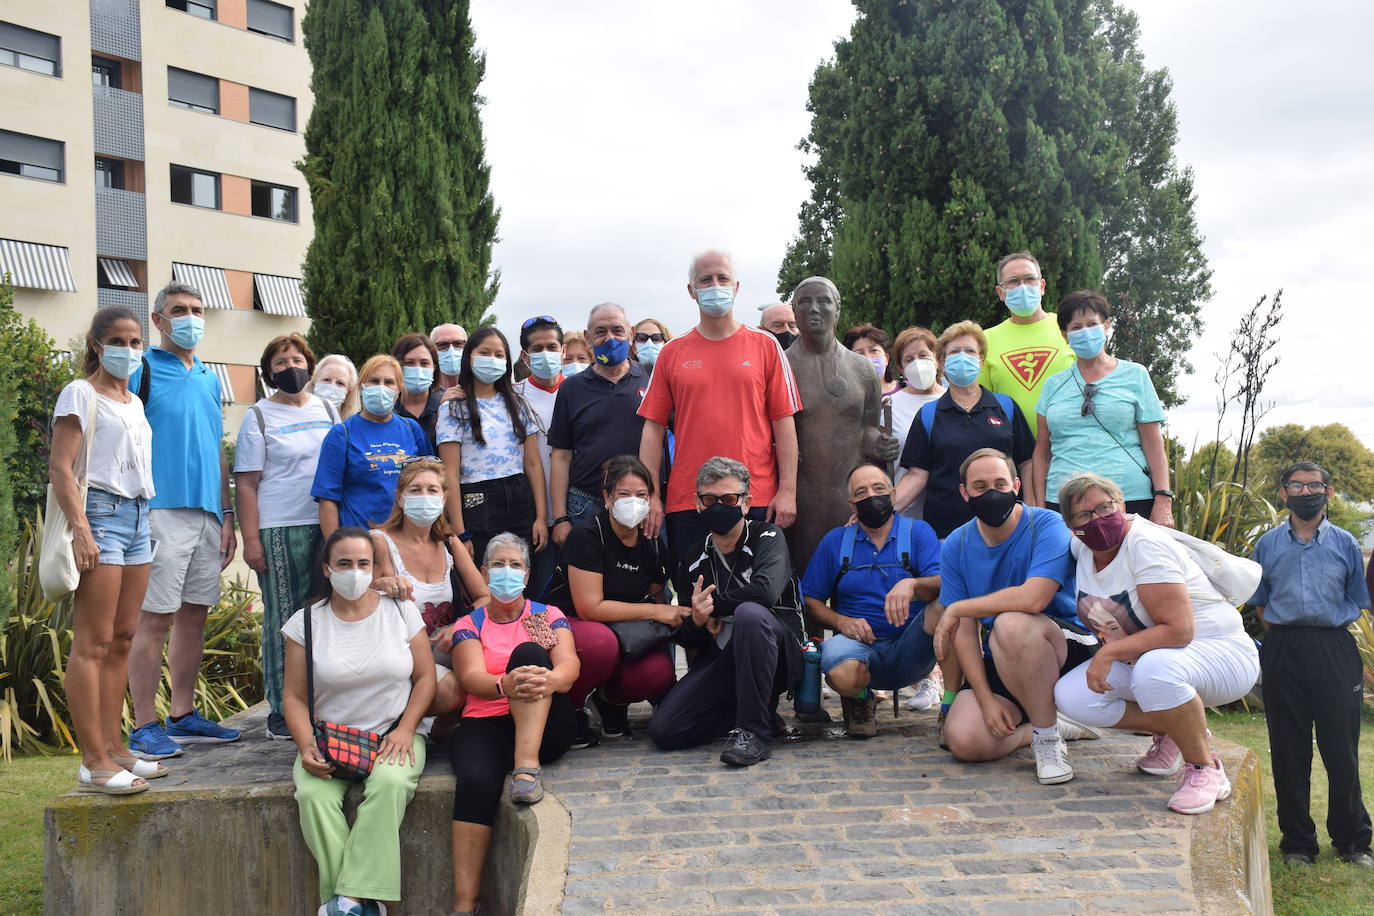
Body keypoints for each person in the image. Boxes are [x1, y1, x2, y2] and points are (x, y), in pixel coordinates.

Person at [1052, 473, 1258, 814]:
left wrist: (1111, 653)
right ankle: (1177, 733)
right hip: (1154, 658)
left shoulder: (1146, 546)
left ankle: (1205, 769)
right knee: (1074, 695)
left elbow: (1179, 631)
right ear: (1072, 525)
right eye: (1085, 514)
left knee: (1154, 670)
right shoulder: (1083, 549)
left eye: (1106, 506)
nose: (1099, 519)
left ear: (1122, 505)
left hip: (1220, 653)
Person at [282, 527, 436, 916]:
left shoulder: (400, 610)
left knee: (390, 783)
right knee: (312, 796)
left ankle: (344, 901)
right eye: (344, 564)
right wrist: (305, 746)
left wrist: (406, 729)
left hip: (393, 733)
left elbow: (426, 678)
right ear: (327, 569)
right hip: (331, 740)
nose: (355, 571)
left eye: (363, 563)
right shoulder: (306, 622)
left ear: (374, 568)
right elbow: (295, 696)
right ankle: (358, 902)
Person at [934, 449, 1098, 785]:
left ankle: (1047, 739)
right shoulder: (956, 544)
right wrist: (983, 699)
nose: (991, 493)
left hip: (1065, 645)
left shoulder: (1046, 524)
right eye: (980, 486)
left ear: (1017, 485)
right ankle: (1044, 728)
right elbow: (964, 634)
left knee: (1010, 622)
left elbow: (1034, 598)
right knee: (965, 740)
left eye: (999, 483)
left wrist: (958, 607)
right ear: (964, 493)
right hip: (1006, 652)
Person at [126, 281, 241, 760]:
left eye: (196, 309)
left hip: (208, 514)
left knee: (194, 615)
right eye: (178, 310)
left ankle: (183, 714)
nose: (189, 317)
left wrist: (228, 513)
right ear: (158, 320)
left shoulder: (212, 379)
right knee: (153, 619)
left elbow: (216, 448)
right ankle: (144, 726)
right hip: (160, 509)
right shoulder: (142, 369)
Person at [50, 306, 158, 793]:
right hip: (101, 515)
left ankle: (116, 748)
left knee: (123, 636)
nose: (130, 350)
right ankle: (93, 760)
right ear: (96, 344)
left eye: (137, 342)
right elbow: (61, 467)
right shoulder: (79, 393)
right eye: (119, 340)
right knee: (92, 642)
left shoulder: (134, 400)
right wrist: (82, 529)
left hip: (138, 516)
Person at [639, 249, 802, 557]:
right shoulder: (672, 353)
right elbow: (652, 428)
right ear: (691, 290)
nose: (715, 285)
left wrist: (787, 491)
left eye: (722, 278)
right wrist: (652, 496)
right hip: (691, 499)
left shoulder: (766, 346)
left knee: (757, 599)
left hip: (754, 497)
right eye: (705, 279)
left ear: (736, 286)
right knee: (694, 597)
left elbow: (784, 422)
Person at [448, 533, 580, 916]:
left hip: (545, 728)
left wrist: (550, 680)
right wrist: (504, 685)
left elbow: (568, 665)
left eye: (516, 565)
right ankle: (464, 905)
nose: (507, 572)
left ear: (527, 574)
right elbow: (471, 676)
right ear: (486, 573)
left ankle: (527, 767)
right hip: (486, 723)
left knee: (528, 653)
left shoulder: (540, 616)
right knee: (474, 781)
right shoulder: (471, 623)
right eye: (499, 565)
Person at [1250, 462, 1373, 867]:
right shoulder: (1267, 545)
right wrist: (1285, 633)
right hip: (1282, 647)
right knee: (1288, 750)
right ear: (1283, 493)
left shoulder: (1345, 544)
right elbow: (1261, 602)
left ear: (1329, 492)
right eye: (1298, 486)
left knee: (1341, 749)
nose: (1307, 493)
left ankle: (1353, 841)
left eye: (1315, 485)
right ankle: (1298, 843)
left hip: (1334, 648)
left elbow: (1356, 599)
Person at [649, 457, 804, 767]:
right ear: (697, 503)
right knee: (665, 730)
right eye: (709, 499)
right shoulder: (692, 557)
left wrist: (715, 606)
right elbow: (687, 635)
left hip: (778, 657)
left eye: (729, 499)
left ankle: (753, 732)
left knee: (749, 613)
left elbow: (764, 592)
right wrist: (698, 618)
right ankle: (752, 712)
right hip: (724, 658)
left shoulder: (768, 537)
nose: (719, 507)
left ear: (746, 503)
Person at [235, 333, 339, 740]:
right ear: (268, 372)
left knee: (327, 614)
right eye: (280, 363)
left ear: (310, 366)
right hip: (279, 527)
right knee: (285, 618)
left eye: (297, 359)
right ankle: (281, 707)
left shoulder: (328, 409)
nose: (290, 367)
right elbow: (246, 484)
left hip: (327, 524)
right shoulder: (258, 416)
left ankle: (322, 702)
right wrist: (252, 540)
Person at [800, 464, 942, 738]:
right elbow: (810, 599)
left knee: (948, 607)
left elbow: (942, 583)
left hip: (912, 649)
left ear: (893, 493)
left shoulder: (918, 532)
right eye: (861, 492)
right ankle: (861, 699)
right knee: (839, 671)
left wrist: (912, 583)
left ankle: (951, 706)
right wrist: (841, 621)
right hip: (859, 647)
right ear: (852, 506)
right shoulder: (835, 541)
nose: (871, 496)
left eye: (878, 488)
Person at [553, 455, 681, 742]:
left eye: (641, 495)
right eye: (623, 495)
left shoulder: (651, 542)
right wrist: (655, 613)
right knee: (600, 643)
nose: (633, 502)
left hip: (623, 629)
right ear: (607, 498)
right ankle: (570, 709)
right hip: (574, 624)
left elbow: (656, 593)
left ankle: (611, 702)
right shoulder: (587, 535)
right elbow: (590, 608)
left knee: (658, 671)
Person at [784, 277, 899, 589]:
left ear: (838, 308)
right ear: (793, 310)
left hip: (849, 495)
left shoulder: (862, 370)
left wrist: (881, 444)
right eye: (805, 302)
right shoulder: (780, 367)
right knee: (805, 584)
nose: (814, 309)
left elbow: (868, 431)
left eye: (823, 301)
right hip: (800, 496)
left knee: (854, 583)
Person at [1032, 291, 1174, 526]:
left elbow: (1153, 441)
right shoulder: (1052, 385)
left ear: (1106, 326)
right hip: (1064, 503)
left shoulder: (1135, 375)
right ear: (1065, 335)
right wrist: (1039, 507)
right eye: (1076, 327)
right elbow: (1042, 452)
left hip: (1129, 498)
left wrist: (1163, 500)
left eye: (1092, 324)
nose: (1085, 332)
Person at [369, 458, 490, 719]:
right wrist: (382, 584)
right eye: (415, 490)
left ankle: (443, 726)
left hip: (441, 652)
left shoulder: (449, 542)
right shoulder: (380, 541)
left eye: (432, 490)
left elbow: (484, 597)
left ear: (444, 498)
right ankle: (399, 722)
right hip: (398, 657)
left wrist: (460, 624)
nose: (424, 496)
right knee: (452, 690)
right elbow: (364, 594)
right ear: (400, 498)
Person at [895, 321, 1036, 539]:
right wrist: (882, 510)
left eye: (970, 351)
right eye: (954, 352)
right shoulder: (928, 415)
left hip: (1008, 530)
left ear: (981, 361)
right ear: (941, 362)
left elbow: (1027, 463)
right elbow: (917, 475)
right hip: (947, 534)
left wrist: (1033, 512)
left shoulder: (1006, 407)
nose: (962, 357)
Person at [435, 327, 547, 564]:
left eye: (499, 355)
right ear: (470, 357)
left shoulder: (519, 404)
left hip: (519, 496)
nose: (492, 360)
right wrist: (460, 532)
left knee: (520, 571)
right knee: (484, 575)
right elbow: (450, 473)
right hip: (477, 500)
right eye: (484, 353)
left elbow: (533, 463)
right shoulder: (453, 408)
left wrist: (540, 517)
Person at [549, 304, 650, 546]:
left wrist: (655, 500)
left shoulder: (652, 380)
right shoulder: (571, 389)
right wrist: (561, 517)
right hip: (585, 505)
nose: (610, 338)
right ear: (587, 337)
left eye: (617, 330)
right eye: (600, 331)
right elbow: (561, 456)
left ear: (630, 332)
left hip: (640, 505)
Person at [886, 325, 948, 713]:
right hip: (905, 511)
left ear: (938, 360)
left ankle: (939, 675)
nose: (918, 364)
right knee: (910, 594)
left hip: (945, 510)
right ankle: (914, 671)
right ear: (900, 367)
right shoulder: (887, 404)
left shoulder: (954, 400)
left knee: (945, 592)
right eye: (909, 359)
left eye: (924, 356)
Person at [312, 354, 432, 539]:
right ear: (361, 387)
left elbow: (432, 481)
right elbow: (327, 498)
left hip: (407, 541)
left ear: (399, 389)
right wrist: (334, 548)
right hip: (360, 542)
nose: (381, 387)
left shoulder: (412, 429)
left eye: (389, 382)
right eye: (374, 381)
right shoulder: (341, 434)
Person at [978, 251, 1075, 422]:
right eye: (1013, 281)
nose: (1023, 286)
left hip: (1068, 444)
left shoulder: (1069, 328)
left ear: (1042, 286)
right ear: (1001, 292)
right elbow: (981, 401)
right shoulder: (985, 340)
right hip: (1010, 445)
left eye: (1030, 279)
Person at [514, 316, 565, 595]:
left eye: (552, 346)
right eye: (537, 348)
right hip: (532, 518)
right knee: (538, 595)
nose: (546, 354)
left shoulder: (579, 390)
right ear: (525, 355)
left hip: (574, 515)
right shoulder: (513, 396)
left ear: (563, 350)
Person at [392, 333, 443, 453]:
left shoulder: (444, 405)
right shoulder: (386, 407)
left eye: (424, 363)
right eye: (409, 363)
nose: (417, 369)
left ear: (434, 367)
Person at [844, 323, 900, 397]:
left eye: (874, 350)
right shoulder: (845, 399)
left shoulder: (909, 390)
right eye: (859, 353)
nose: (867, 358)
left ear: (886, 358)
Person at [306, 354, 360, 419]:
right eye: (326, 379)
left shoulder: (352, 427)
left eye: (340, 383)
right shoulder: (298, 419)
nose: (332, 386)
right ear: (314, 382)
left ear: (349, 391)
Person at [431, 323, 469, 393]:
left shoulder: (479, 388)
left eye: (458, 344)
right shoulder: (425, 392)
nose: (451, 350)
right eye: (443, 345)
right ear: (432, 349)